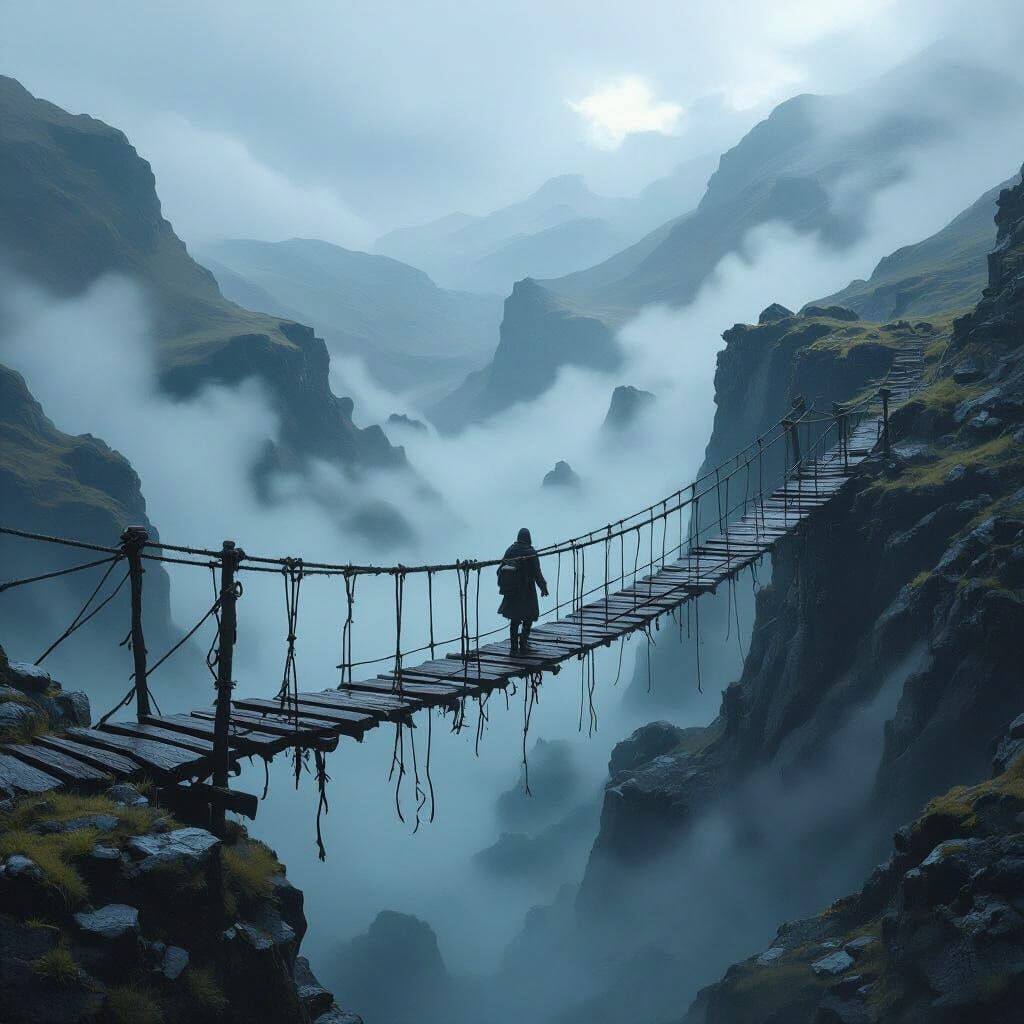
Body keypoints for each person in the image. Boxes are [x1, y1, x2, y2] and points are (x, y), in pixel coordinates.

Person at [497, 527, 548, 653]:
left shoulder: (510, 550)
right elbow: (537, 573)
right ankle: (523, 643)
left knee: (514, 619)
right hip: (527, 591)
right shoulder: (530, 552)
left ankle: (514, 646)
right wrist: (543, 587)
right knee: (529, 617)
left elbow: (500, 570)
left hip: (512, 591)